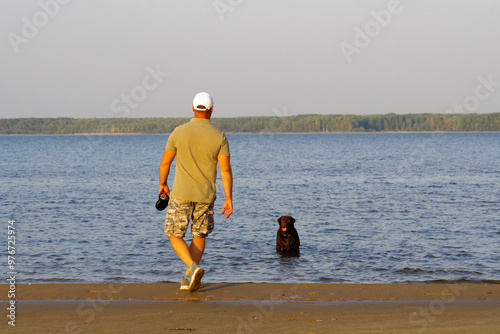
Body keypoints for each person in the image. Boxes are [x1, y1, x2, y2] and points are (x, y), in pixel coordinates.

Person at [158, 92, 233, 292]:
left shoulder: (178, 132)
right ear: (211, 110)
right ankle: (189, 277)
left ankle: (192, 268)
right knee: (199, 235)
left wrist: (163, 183)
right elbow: (225, 170)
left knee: (173, 234)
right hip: (206, 196)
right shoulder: (219, 136)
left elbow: (165, 162)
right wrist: (228, 198)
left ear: (193, 108)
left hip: (181, 193)